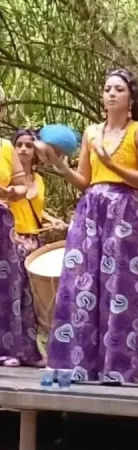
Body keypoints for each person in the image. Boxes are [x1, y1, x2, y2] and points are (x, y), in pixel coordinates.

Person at [42, 68, 138, 385]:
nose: (110, 94)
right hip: (92, 210)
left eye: (118, 89)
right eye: (107, 88)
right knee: (83, 285)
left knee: (121, 285)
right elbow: (84, 180)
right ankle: (79, 364)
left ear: (130, 97)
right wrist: (59, 165)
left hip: (127, 211)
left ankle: (121, 368)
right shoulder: (92, 132)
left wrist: (112, 165)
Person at [3, 130, 68, 367]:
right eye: (18, 145)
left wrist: (52, 221)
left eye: (28, 146)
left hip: (33, 241)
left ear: (35, 152)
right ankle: (11, 349)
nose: (22, 150)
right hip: (12, 239)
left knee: (31, 300)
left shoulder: (39, 180)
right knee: (12, 297)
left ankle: (29, 352)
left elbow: (36, 210)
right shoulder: (7, 176)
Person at [0, 134, 31, 367]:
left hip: (1, 221)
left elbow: (23, 187)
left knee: (5, 285)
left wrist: (12, 192)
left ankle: (6, 348)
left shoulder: (5, 146)